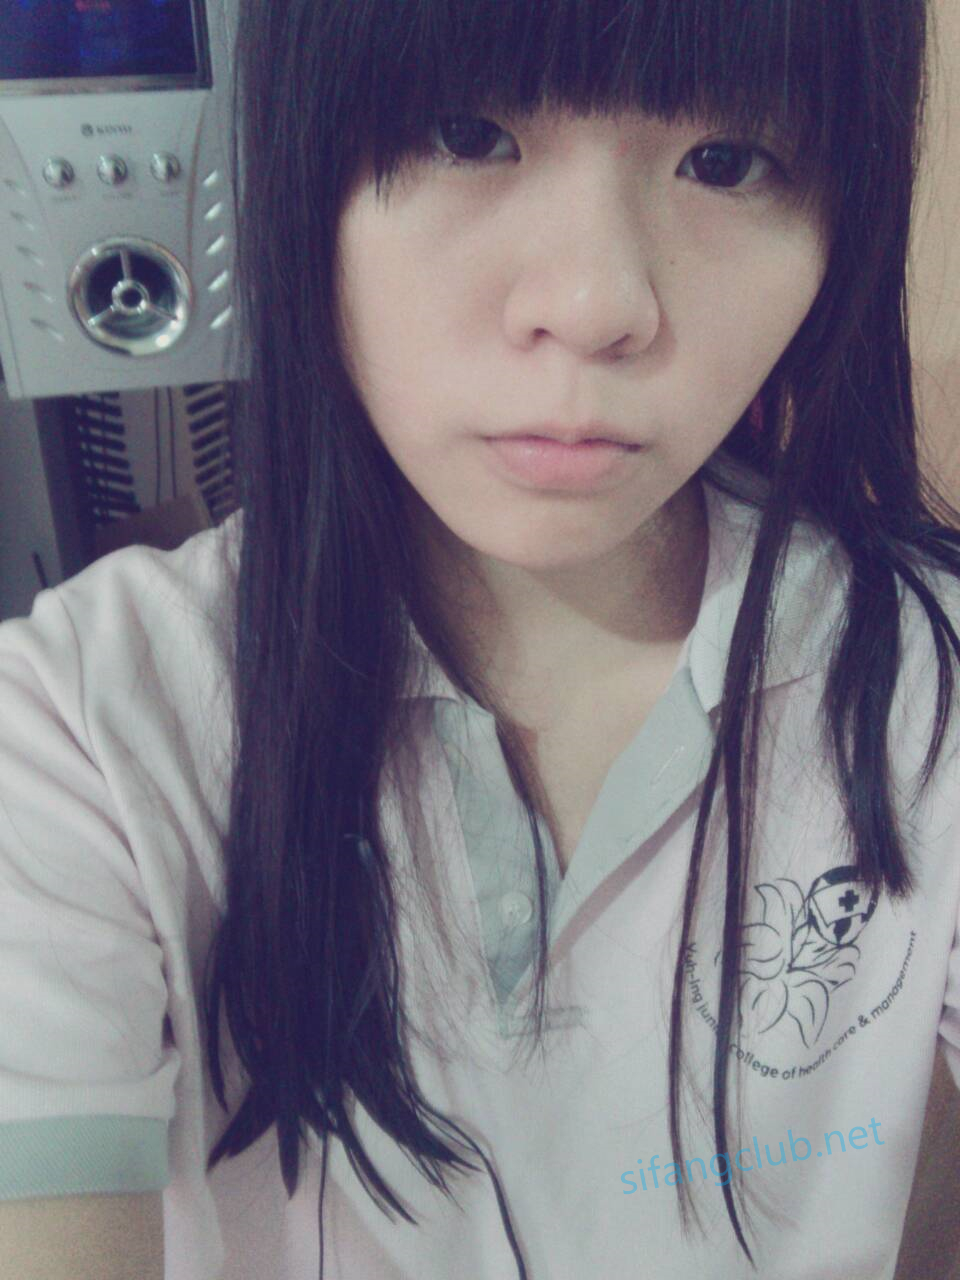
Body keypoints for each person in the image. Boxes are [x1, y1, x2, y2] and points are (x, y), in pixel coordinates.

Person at [1, 1, 959, 1277]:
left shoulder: (930, 686)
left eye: (726, 161)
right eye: (466, 134)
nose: (598, 304)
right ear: (299, 162)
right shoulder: (75, 737)